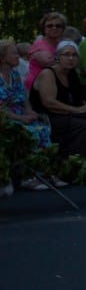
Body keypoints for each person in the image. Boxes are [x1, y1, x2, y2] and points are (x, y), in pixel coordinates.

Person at [30, 41, 86, 165]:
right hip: (49, 117)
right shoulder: (48, 73)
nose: (71, 58)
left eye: (75, 55)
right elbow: (49, 103)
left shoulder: (71, 74)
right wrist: (78, 110)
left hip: (67, 113)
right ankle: (81, 164)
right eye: (67, 54)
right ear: (57, 57)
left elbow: (79, 99)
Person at [1, 38, 53, 192]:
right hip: (5, 118)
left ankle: (43, 171)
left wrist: (29, 110)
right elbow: (1, 108)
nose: (18, 56)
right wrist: (21, 118)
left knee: (42, 128)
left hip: (19, 113)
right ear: (3, 58)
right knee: (29, 133)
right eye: (14, 54)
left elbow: (24, 97)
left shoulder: (15, 74)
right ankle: (27, 176)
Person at [25, 11, 68, 91]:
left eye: (58, 26)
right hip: (37, 87)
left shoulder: (61, 44)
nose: (54, 28)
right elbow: (49, 63)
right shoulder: (40, 46)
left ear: (63, 29)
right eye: (50, 26)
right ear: (44, 28)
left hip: (53, 85)